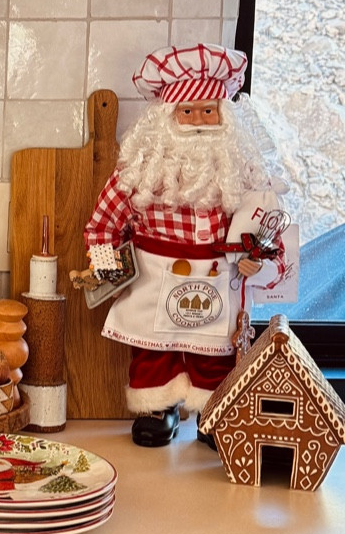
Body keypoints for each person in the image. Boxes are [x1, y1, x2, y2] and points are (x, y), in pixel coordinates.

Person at [83, 43, 284, 446]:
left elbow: (265, 227)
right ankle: (158, 409)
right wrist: (106, 268)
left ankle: (214, 411)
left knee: (216, 356)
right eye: (187, 112)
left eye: (208, 111)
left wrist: (254, 257)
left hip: (217, 277)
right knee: (152, 352)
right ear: (165, 120)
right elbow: (102, 225)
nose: (197, 122)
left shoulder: (242, 171)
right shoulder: (140, 171)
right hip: (153, 279)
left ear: (223, 116)